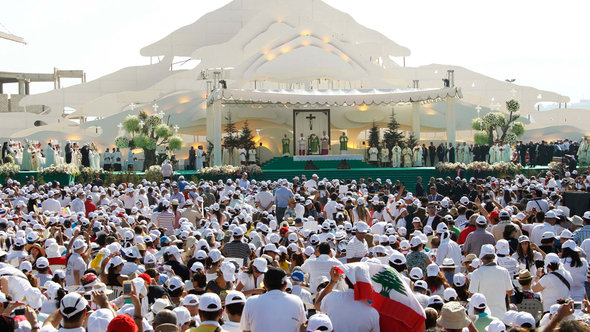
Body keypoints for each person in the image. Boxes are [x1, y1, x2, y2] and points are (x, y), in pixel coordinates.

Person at [240, 267, 306, 332]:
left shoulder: (251, 301)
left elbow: (246, 330)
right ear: (285, 285)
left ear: (264, 284)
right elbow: (302, 326)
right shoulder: (297, 301)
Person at [468, 244, 513, 319]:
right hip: (500, 314)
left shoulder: (477, 273)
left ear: (481, 258)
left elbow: (472, 294)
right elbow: (509, 291)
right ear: (494, 257)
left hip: (482, 316)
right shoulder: (504, 271)